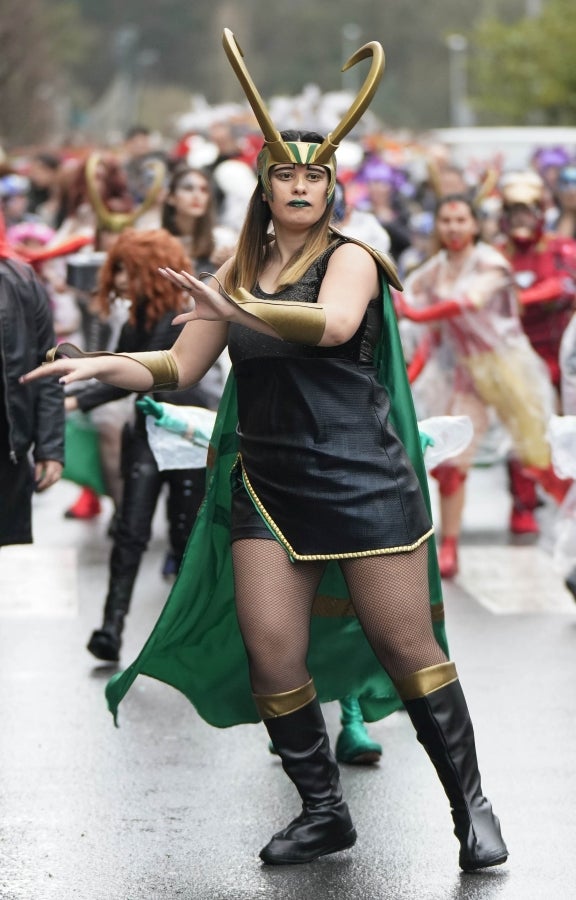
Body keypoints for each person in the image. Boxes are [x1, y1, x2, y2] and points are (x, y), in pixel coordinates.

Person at [21, 29, 508, 872]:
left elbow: (335, 325)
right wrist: (108, 364)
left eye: (314, 175)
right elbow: (182, 362)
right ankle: (323, 811)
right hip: (268, 480)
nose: (299, 185)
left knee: (405, 646)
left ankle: (472, 805)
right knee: (271, 650)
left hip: (362, 478)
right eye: (286, 173)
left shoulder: (354, 257)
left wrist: (235, 302)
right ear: (264, 183)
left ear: (332, 189)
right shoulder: (233, 267)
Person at [62, 229, 221, 662]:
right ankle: (111, 627)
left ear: (151, 273)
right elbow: (121, 376)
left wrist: (82, 387)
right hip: (150, 434)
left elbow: (139, 371)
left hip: (185, 434)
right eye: (117, 272)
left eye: (126, 271)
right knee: (130, 532)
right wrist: (77, 393)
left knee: (186, 538)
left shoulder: (185, 316)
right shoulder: (137, 320)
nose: (118, 282)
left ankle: (184, 635)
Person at [398, 193, 569, 578]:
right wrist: (409, 375)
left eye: (461, 220)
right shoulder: (433, 270)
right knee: (453, 462)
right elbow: (425, 329)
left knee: (539, 459)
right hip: (462, 373)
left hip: (507, 368)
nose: (454, 228)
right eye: (446, 220)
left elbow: (468, 302)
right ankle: (450, 547)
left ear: (475, 225)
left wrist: (417, 311)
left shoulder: (492, 262)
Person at [496, 170, 576, 535]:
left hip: (559, 354)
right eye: (513, 211)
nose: (520, 219)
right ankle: (523, 503)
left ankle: (566, 494)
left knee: (566, 428)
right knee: (521, 432)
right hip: (516, 357)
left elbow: (565, 285)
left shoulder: (561, 248)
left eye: (526, 210)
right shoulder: (496, 255)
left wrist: (522, 299)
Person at [0, 210, 64, 548]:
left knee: (9, 568)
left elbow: (47, 367)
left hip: (8, 458)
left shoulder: (21, 281)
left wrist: (50, 447)